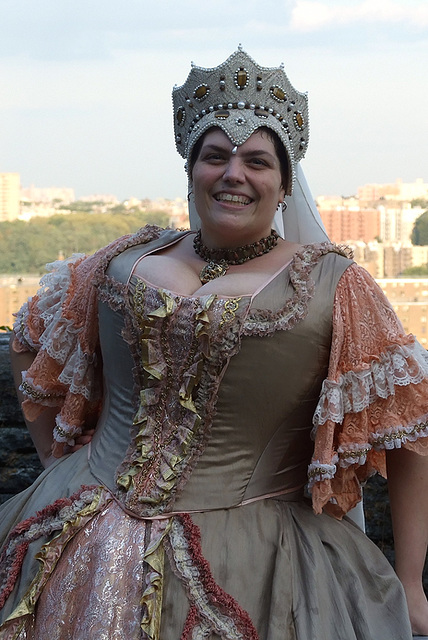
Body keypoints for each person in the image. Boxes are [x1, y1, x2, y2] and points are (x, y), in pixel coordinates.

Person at [0, 46, 427, 640]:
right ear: (191, 170)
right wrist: (59, 461)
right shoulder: (124, 263)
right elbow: (31, 339)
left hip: (261, 554)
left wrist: (410, 581)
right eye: (215, 156)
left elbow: (407, 433)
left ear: (283, 185)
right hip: (83, 529)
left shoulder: (336, 286)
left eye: (257, 161)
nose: (234, 174)